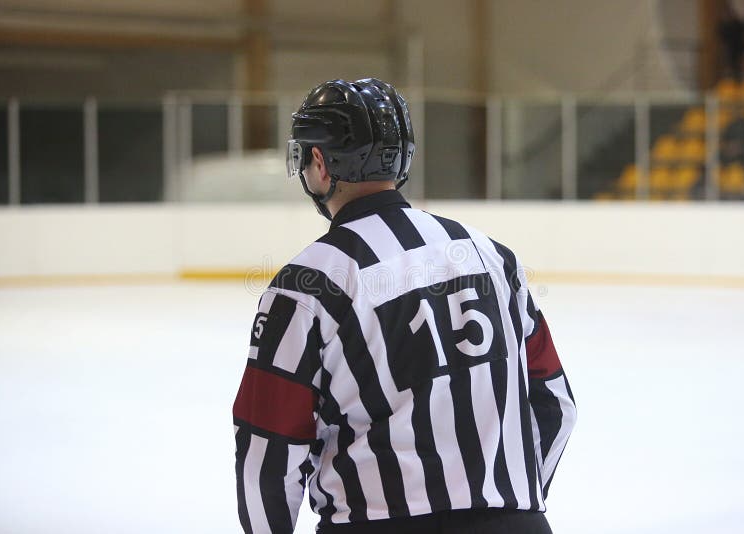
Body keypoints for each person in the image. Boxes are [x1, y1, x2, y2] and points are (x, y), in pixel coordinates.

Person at [232, 78, 576, 534]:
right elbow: (556, 405)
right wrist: (513, 507)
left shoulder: (306, 284)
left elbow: (269, 451)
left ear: (319, 161)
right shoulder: (492, 256)